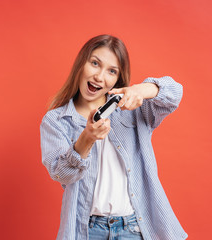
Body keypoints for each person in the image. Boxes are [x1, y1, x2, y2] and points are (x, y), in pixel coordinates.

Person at [40, 34, 188, 240]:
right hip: (88, 230)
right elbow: (62, 174)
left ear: (117, 79)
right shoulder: (56, 120)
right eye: (94, 63)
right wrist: (87, 138)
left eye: (111, 71)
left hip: (133, 228)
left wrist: (140, 90)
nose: (100, 77)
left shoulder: (132, 109)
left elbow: (175, 93)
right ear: (81, 65)